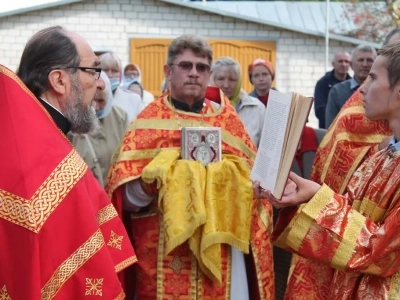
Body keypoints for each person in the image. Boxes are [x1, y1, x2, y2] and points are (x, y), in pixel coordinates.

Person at [106, 34, 274, 299]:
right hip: (164, 250)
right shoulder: (148, 121)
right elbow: (122, 198)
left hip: (222, 251)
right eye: (185, 66)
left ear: (209, 73)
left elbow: (254, 186)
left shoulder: (229, 122)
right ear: (168, 71)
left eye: (201, 67)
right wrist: (152, 181)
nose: (194, 73)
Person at [254, 40, 400, 300]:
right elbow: (354, 213)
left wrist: (319, 199)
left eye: (373, 79)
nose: (362, 90)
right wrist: (308, 195)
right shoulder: (383, 158)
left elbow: (381, 253)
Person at [0, 26, 136, 299]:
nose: (100, 84)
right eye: (93, 70)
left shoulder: (29, 137)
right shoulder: (43, 156)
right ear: (59, 80)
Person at [68, 72, 129, 187]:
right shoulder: (72, 119)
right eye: (93, 101)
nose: (96, 107)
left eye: (101, 101)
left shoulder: (120, 117)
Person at [210, 56, 265, 146]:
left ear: (239, 81)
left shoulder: (257, 108)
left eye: (232, 80)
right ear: (212, 79)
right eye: (221, 79)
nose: (226, 85)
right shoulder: (204, 107)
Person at [325, 45, 376, 128]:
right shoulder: (337, 92)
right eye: (360, 60)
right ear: (351, 65)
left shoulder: (383, 90)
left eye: (370, 60)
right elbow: (330, 127)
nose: (365, 64)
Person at [99, 52, 144, 121]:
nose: (110, 75)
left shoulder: (134, 99)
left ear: (120, 74)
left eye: (114, 71)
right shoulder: (89, 99)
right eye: (105, 70)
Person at [314, 51, 351, 128]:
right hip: (328, 130)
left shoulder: (353, 84)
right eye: (340, 61)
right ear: (333, 64)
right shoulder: (323, 83)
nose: (343, 64)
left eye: (346, 61)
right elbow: (320, 110)